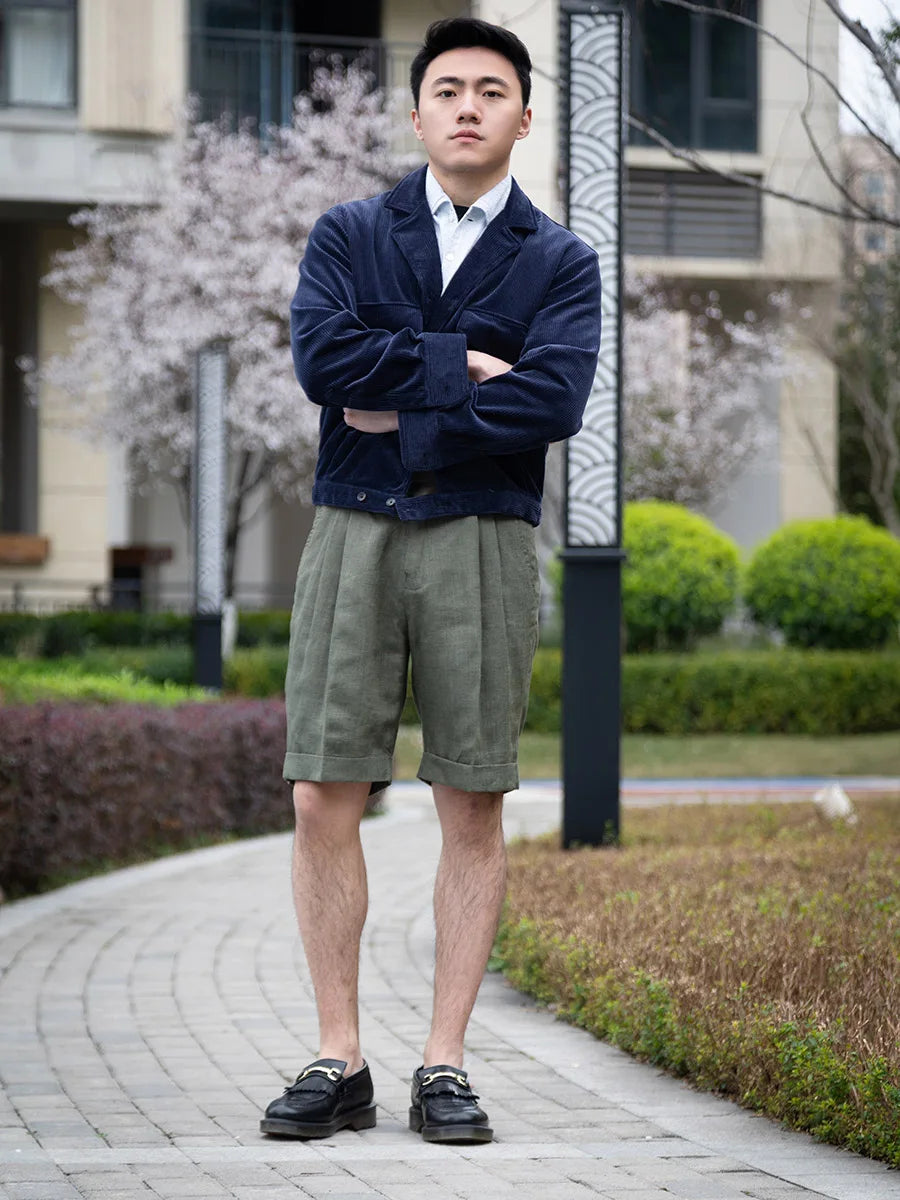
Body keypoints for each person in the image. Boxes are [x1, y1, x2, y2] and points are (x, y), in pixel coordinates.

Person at [260, 16, 602, 1145]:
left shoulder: (561, 261)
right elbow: (323, 361)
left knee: (471, 798)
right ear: (415, 114)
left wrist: (395, 405)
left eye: (490, 89)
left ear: (523, 114)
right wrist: (462, 368)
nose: (467, 104)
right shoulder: (350, 232)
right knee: (322, 791)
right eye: (447, 88)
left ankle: (444, 1066)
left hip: (484, 540)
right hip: (352, 532)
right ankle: (336, 1054)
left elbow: (549, 404)